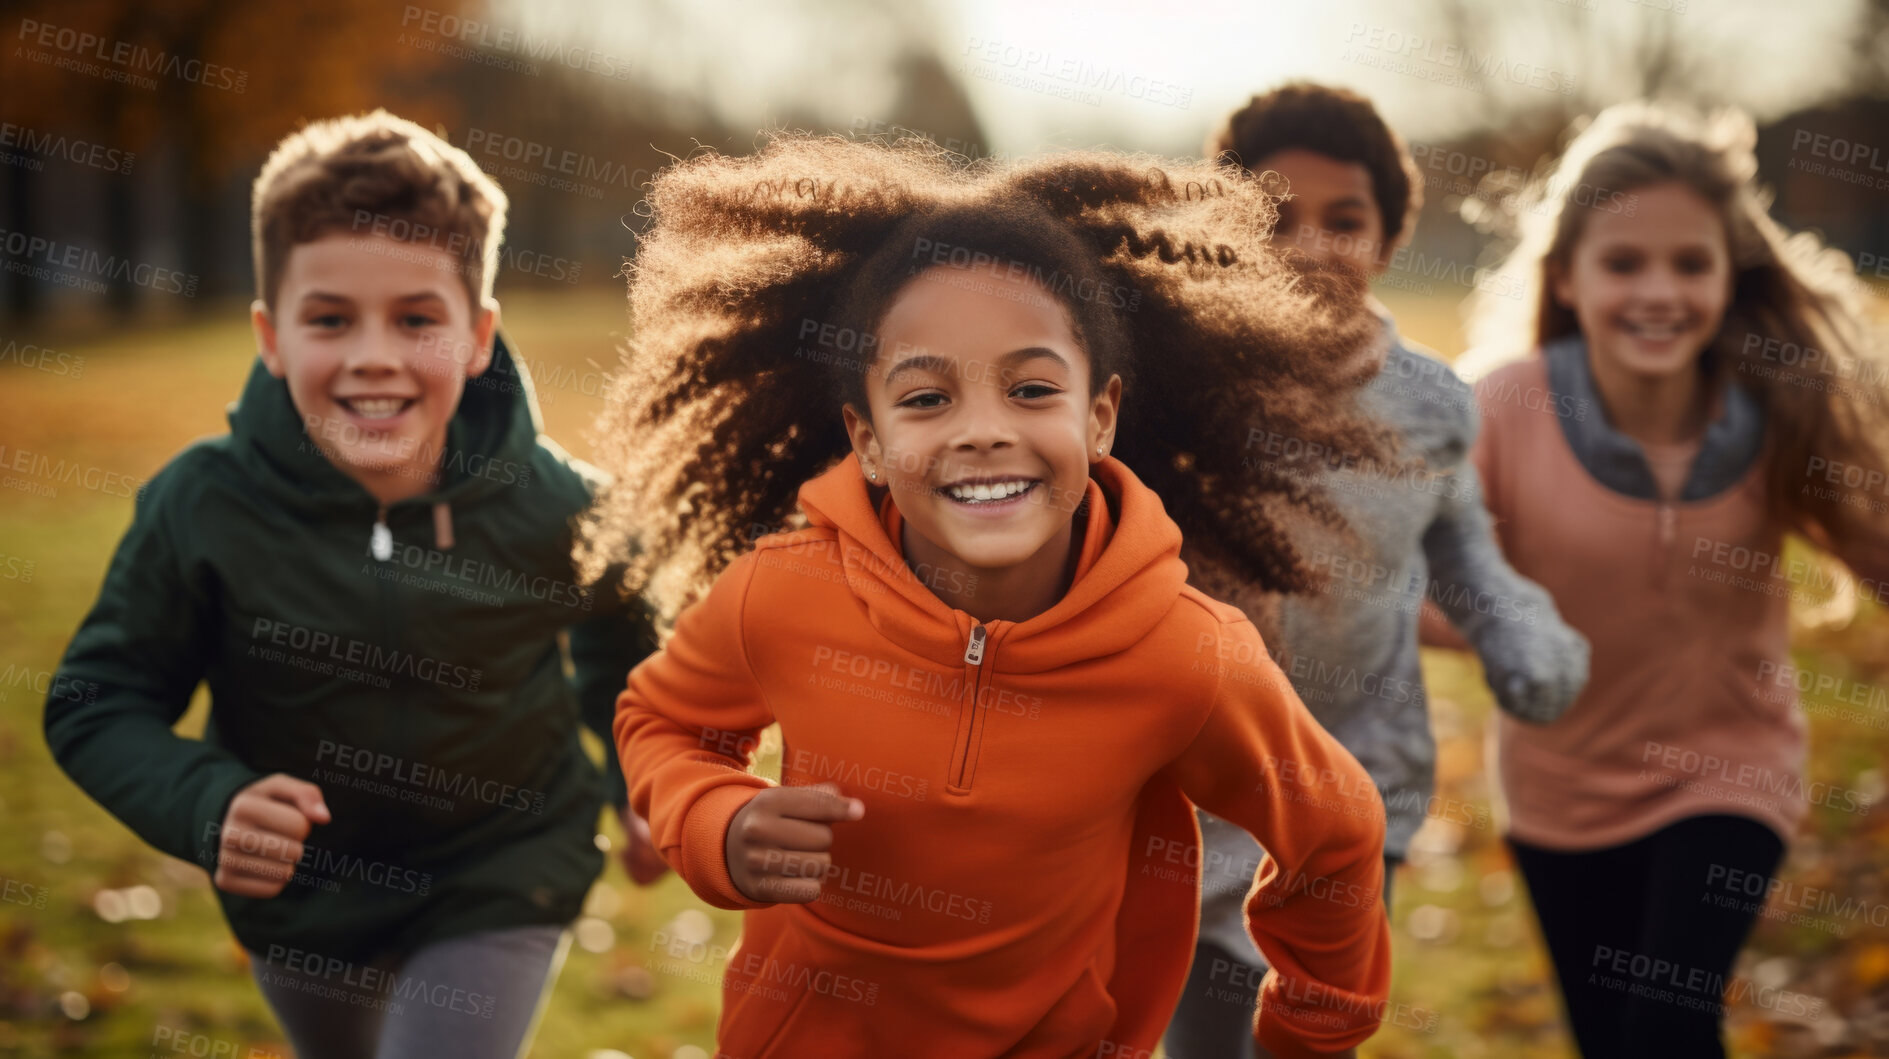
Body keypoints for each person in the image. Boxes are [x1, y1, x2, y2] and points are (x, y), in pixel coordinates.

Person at [586, 134, 1398, 1058]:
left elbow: (1335, 830)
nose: (981, 431)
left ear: (1099, 416)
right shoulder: (782, 592)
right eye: (926, 398)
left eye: (1030, 388)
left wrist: (1306, 1031)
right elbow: (662, 721)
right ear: (867, 440)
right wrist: (711, 822)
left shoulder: (1186, 653)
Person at [42, 109, 666, 1059]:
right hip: (307, 898)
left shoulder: (561, 506)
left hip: (504, 865)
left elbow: (629, 654)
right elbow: (97, 701)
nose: (373, 353)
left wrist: (641, 781)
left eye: (416, 319)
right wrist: (209, 804)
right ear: (271, 336)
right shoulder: (201, 507)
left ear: (478, 334)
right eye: (330, 319)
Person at [1449, 101, 1889, 1058]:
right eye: (1623, 262)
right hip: (1556, 792)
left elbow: (1875, 542)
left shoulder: (1773, 404)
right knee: (1612, 1041)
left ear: (1731, 276)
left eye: (1690, 263)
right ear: (1567, 275)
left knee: (1664, 1025)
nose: (1660, 291)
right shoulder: (1504, 408)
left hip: (1729, 773)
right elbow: (1438, 590)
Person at [1164, 81, 1590, 1059]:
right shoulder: (1176, 392)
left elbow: (1461, 547)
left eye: (1343, 221)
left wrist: (1515, 625)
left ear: (1388, 237)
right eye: (1274, 219)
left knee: (1315, 1030)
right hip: (1196, 789)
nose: (1311, 245)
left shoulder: (1430, 402)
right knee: (1203, 1038)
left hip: (1359, 783)